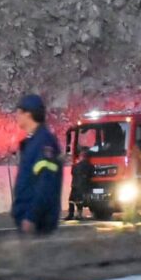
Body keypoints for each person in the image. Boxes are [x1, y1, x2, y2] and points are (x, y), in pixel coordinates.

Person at [12, 94, 63, 235]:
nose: (16, 116)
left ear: (28, 114)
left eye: (18, 112)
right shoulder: (33, 142)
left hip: (37, 223)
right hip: (29, 220)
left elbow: (46, 183)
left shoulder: (43, 142)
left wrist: (31, 216)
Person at [66, 148, 93, 221]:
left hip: (75, 185)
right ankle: (79, 215)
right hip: (81, 185)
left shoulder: (76, 165)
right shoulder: (90, 166)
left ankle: (71, 214)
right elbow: (90, 175)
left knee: (71, 200)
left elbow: (73, 172)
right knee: (78, 201)